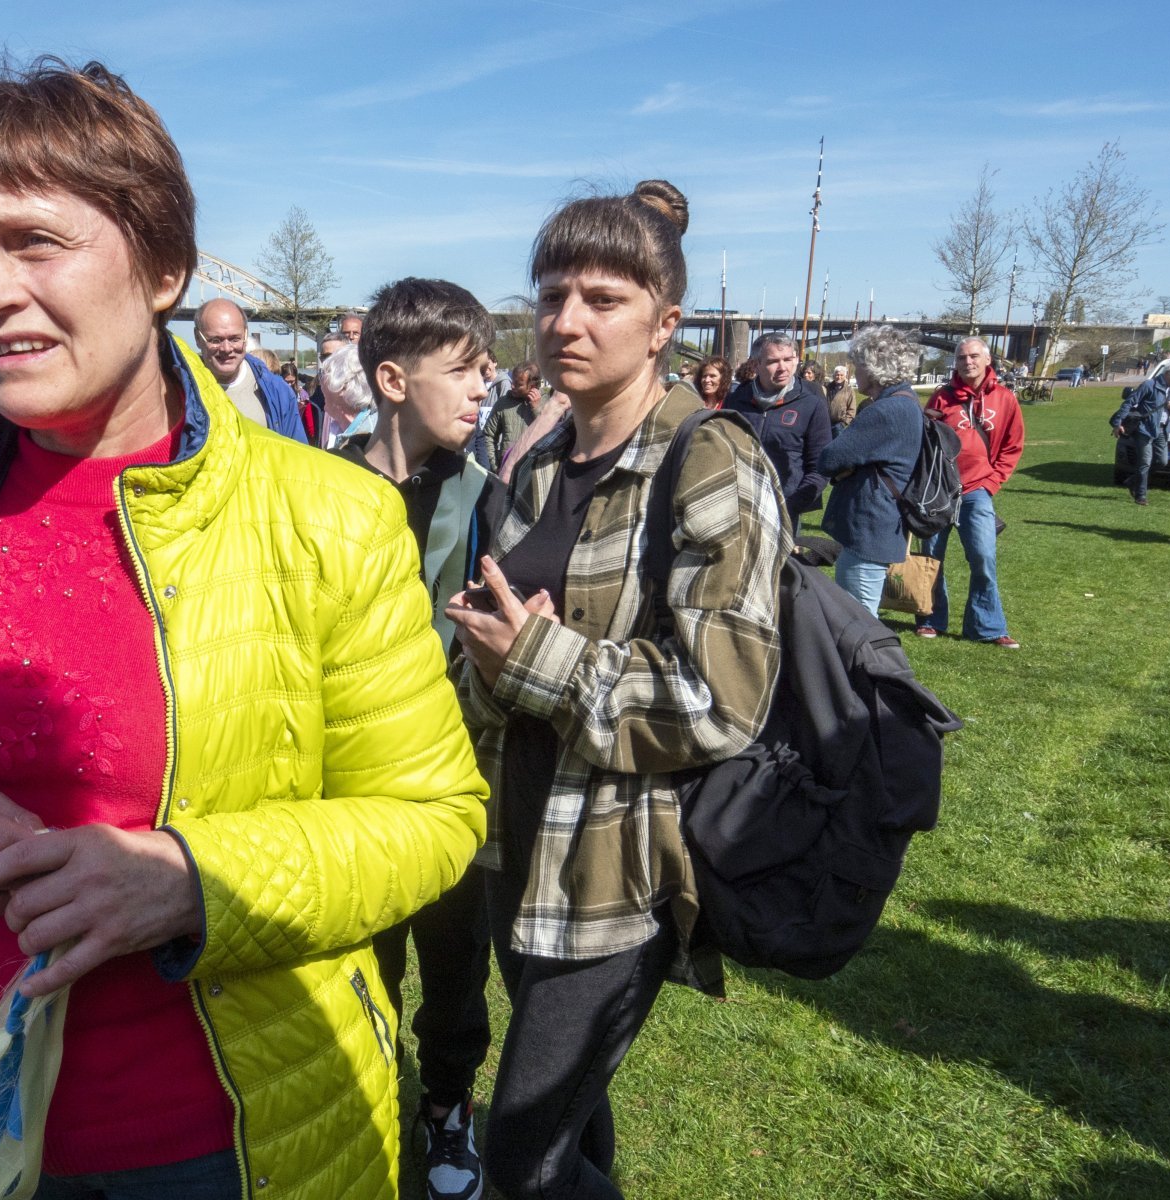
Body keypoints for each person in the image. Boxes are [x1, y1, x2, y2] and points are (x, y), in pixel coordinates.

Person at [0, 59, 484, 1200]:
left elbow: (433, 818)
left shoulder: (329, 516)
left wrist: (194, 882)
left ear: (162, 267)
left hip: (232, 1143)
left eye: (35, 241)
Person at [446, 180, 788, 1200]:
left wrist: (536, 661)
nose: (566, 321)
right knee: (572, 1128)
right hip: (516, 845)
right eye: (551, 295)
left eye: (602, 298)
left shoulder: (709, 458)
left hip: (619, 870)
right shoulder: (540, 461)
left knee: (520, 1162)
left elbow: (723, 699)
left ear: (664, 324)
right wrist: (481, 657)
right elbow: (503, 647)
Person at [333, 277, 496, 1200]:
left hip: (449, 778)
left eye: (488, 373)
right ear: (392, 380)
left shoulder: (484, 495)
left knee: (454, 957)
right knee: (361, 957)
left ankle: (446, 1106)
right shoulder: (313, 489)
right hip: (344, 787)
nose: (485, 389)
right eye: (464, 372)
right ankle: (363, 1098)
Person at [920, 338, 1025, 647]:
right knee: (931, 556)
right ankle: (930, 618)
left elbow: (1012, 446)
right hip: (939, 490)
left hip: (978, 489)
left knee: (983, 556)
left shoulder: (1005, 399)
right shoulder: (942, 398)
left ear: (987, 359)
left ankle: (987, 626)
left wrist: (992, 482)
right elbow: (925, 443)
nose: (968, 361)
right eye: (962, 357)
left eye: (974, 356)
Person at [817, 325, 922, 615]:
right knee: (859, 617)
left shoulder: (886, 410)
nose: (854, 372)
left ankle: (872, 664)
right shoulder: (905, 402)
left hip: (870, 528)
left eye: (858, 365)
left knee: (859, 622)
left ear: (875, 367)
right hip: (878, 525)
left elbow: (829, 458)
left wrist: (847, 464)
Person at [724, 330, 831, 532]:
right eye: (773, 361)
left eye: (789, 359)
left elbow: (820, 467)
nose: (783, 368)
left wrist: (790, 506)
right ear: (756, 364)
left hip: (785, 511)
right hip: (740, 507)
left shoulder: (811, 405)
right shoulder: (737, 399)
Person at [191, 298, 310, 440]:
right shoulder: (179, 390)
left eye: (235, 339)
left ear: (246, 335)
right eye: (215, 340)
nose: (227, 348)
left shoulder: (278, 391)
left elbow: (296, 454)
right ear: (198, 338)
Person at [1110, 362, 1170, 504]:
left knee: (1162, 461)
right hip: (1145, 428)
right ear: (1167, 373)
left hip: (1162, 429)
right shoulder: (1149, 385)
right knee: (1145, 462)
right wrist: (1118, 423)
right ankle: (1141, 495)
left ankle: (1133, 481)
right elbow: (1129, 402)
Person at [474, 363, 540, 472]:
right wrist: (495, 466)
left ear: (532, 386)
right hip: (506, 471)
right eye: (512, 381)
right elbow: (488, 435)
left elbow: (551, 434)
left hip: (532, 472)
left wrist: (537, 410)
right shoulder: (503, 403)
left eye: (518, 384)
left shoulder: (547, 403)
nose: (512, 386)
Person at [825, 362, 858, 433]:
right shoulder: (828, 387)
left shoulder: (849, 390)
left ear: (845, 376)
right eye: (837, 375)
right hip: (826, 423)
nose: (839, 377)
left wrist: (844, 423)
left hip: (839, 425)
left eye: (841, 375)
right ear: (834, 375)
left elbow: (852, 409)